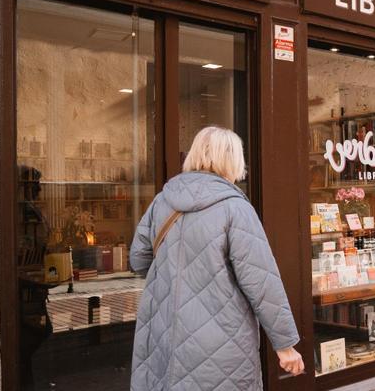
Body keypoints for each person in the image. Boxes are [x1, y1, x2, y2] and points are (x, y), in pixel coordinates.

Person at [130, 127, 304, 390]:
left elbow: (138, 259)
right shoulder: (235, 208)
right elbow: (261, 282)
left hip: (164, 333)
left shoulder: (162, 201)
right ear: (234, 161)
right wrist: (285, 345)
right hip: (222, 339)